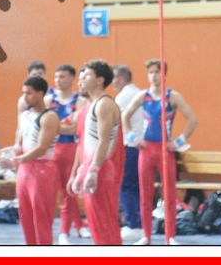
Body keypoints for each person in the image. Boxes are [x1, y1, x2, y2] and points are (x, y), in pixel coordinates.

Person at [122, 58, 197, 245]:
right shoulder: (142, 96)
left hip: (164, 151)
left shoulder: (172, 96)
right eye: (151, 72)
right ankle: (146, 236)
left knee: (169, 195)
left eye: (157, 72)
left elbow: (193, 119)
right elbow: (125, 117)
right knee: (145, 195)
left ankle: (170, 236)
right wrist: (133, 138)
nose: (154, 76)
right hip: (146, 150)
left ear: (164, 75)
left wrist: (179, 141)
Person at [69, 60, 124, 245]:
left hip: (101, 167)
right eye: (80, 76)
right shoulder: (89, 106)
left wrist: (93, 170)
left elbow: (104, 141)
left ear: (100, 80)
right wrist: (80, 171)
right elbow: (85, 143)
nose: (80, 80)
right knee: (96, 224)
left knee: (104, 221)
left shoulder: (104, 104)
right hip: (91, 165)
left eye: (86, 76)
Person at [12, 75, 61, 245]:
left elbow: (41, 147)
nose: (24, 97)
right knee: (25, 216)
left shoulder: (49, 117)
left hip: (42, 170)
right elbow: (19, 143)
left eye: (28, 93)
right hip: (24, 170)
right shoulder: (25, 115)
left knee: (41, 217)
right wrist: (7, 154)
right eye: (23, 93)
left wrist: (18, 160)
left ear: (40, 94)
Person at [45, 64, 89, 244]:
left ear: (72, 78)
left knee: (68, 191)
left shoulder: (80, 102)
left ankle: (64, 231)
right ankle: (74, 225)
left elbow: (76, 129)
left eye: (62, 77)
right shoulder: (48, 100)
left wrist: (56, 127)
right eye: (56, 77)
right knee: (50, 193)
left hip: (71, 150)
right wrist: (61, 127)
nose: (58, 80)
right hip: (51, 150)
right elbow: (45, 128)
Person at [112, 64, 143, 238]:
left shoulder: (123, 97)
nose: (112, 82)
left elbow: (114, 122)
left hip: (129, 146)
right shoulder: (138, 93)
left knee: (125, 186)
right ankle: (139, 223)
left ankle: (133, 224)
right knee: (136, 187)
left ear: (122, 78)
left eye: (114, 78)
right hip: (139, 147)